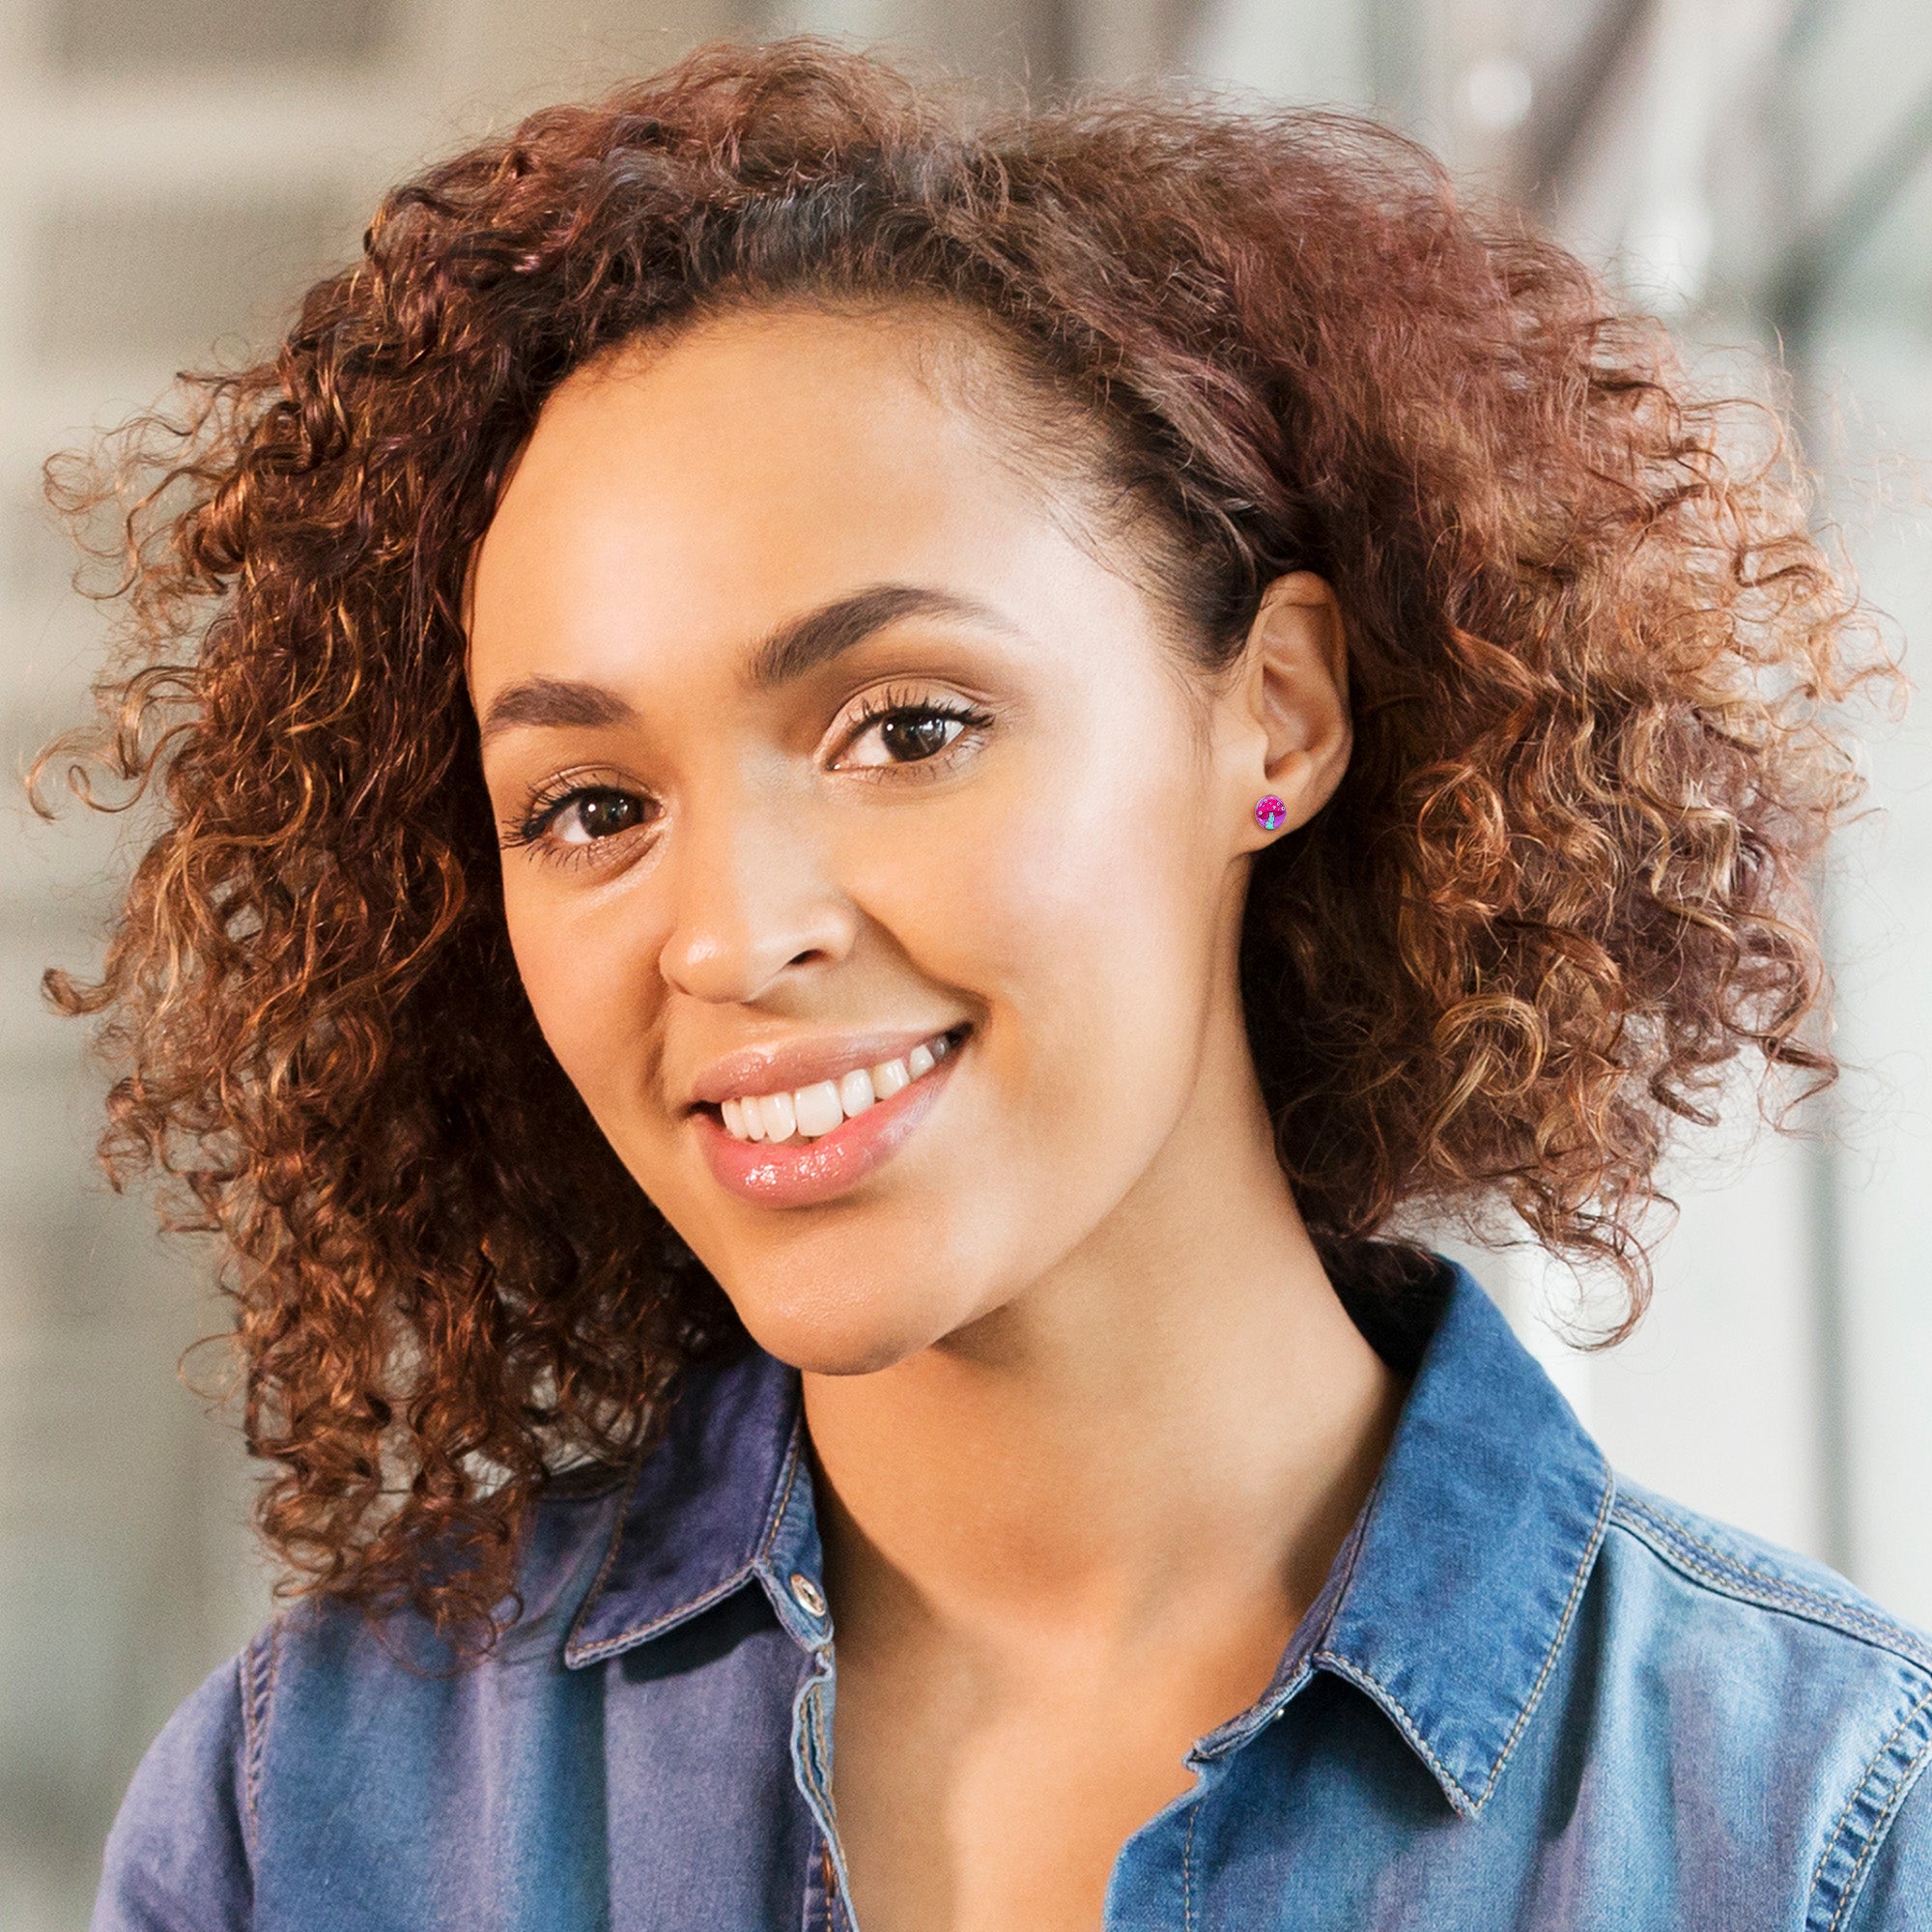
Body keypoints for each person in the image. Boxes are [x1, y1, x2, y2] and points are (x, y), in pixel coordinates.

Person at [53, 38, 1927, 1932]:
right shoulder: (311, 1817)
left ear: (1271, 718)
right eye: (593, 804)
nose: (727, 932)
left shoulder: (1811, 1831)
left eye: (907, 725)